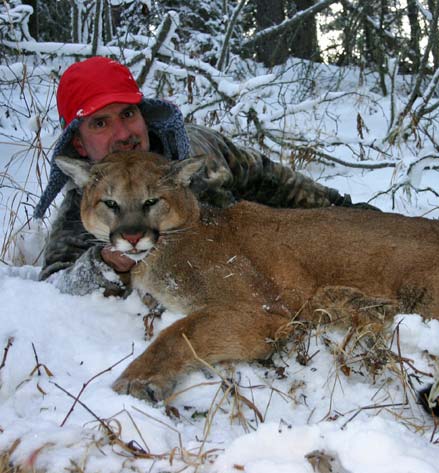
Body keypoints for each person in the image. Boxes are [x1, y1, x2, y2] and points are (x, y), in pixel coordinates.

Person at [34, 57, 361, 296]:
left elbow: (283, 185)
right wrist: (105, 263)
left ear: (144, 115)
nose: (123, 134)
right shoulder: (89, 201)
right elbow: (53, 288)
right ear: (78, 141)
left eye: (128, 114)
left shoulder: (198, 150)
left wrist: (356, 217)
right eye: (100, 123)